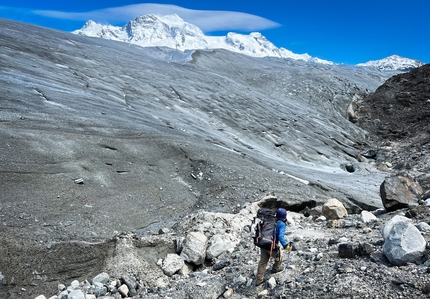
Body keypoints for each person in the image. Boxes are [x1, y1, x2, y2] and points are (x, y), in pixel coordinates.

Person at [256, 207, 288, 286]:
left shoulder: (271, 220)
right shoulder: (281, 224)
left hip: (263, 243)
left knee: (262, 262)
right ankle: (275, 269)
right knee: (279, 257)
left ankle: (259, 280)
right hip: (272, 246)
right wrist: (286, 246)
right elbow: (281, 237)